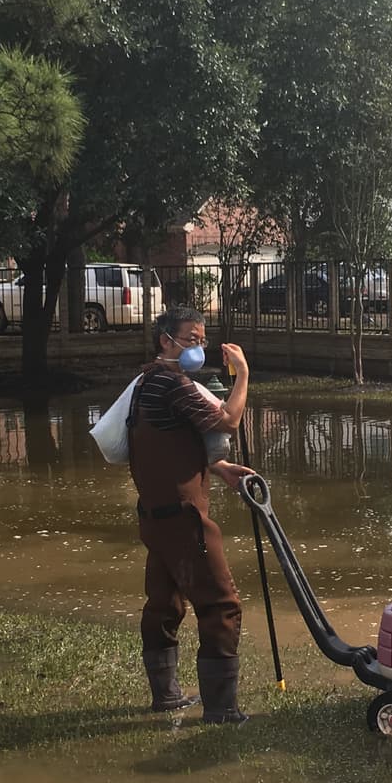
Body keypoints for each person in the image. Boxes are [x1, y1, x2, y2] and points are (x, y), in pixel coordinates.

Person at [128, 305, 254, 724]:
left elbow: (162, 442)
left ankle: (165, 696)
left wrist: (219, 469)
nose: (198, 348)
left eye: (202, 340)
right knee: (221, 604)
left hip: (154, 515)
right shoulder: (175, 385)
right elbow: (229, 421)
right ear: (166, 339)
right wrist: (243, 375)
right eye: (191, 339)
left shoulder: (146, 381)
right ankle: (221, 709)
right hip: (184, 516)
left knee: (164, 603)